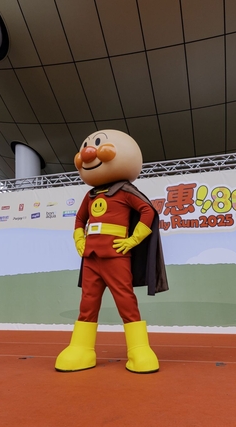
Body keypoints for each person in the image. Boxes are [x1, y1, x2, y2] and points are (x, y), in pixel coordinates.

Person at [55, 130, 168, 374]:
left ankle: (139, 349)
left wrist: (133, 240)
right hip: (91, 258)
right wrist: (79, 239)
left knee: (125, 301)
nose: (88, 152)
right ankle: (81, 348)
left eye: (96, 144)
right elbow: (80, 219)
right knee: (87, 303)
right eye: (87, 146)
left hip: (116, 256)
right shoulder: (90, 195)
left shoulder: (125, 191)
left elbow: (148, 211)